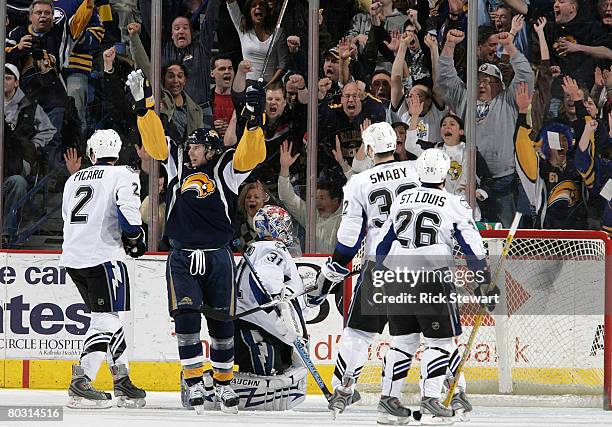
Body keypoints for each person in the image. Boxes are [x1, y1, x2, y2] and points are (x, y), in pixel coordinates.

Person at [163, 77, 266, 413]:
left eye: (194, 146)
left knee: (223, 323)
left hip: (219, 256)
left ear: (209, 149)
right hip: (182, 256)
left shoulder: (225, 169)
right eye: (189, 146)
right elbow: (153, 143)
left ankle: (222, 385)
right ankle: (193, 383)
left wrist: (254, 121)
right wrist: (142, 111)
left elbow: (253, 154)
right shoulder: (177, 163)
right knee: (187, 320)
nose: (188, 150)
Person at [307, 122, 420, 423]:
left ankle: (344, 389)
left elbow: (348, 237)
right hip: (419, 267)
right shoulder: (417, 171)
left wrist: (335, 266)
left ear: (369, 150)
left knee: (359, 332)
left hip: (379, 266)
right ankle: (390, 399)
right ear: (395, 145)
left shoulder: (359, 182)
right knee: (405, 337)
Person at [375, 148, 494, 423]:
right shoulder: (454, 203)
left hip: (398, 277)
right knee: (439, 341)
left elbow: (382, 245)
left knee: (403, 342)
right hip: (432, 279)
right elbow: (473, 250)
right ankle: (431, 398)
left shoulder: (403, 199)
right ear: (445, 174)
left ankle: (388, 402)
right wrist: (484, 284)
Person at [59, 128, 147, 409]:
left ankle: (121, 378)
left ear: (92, 153)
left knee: (110, 316)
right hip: (103, 257)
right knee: (106, 319)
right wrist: (136, 239)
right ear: (117, 153)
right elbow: (130, 218)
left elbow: (66, 217)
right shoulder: (123, 173)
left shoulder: (74, 178)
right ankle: (81, 381)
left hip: (73, 257)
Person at [3, 63, 55, 244]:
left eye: (8, 78)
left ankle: (7, 233)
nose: (4, 81)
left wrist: (32, 146)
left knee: (18, 182)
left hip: (17, 162)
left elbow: (49, 130)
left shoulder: (29, 106)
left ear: (17, 83)